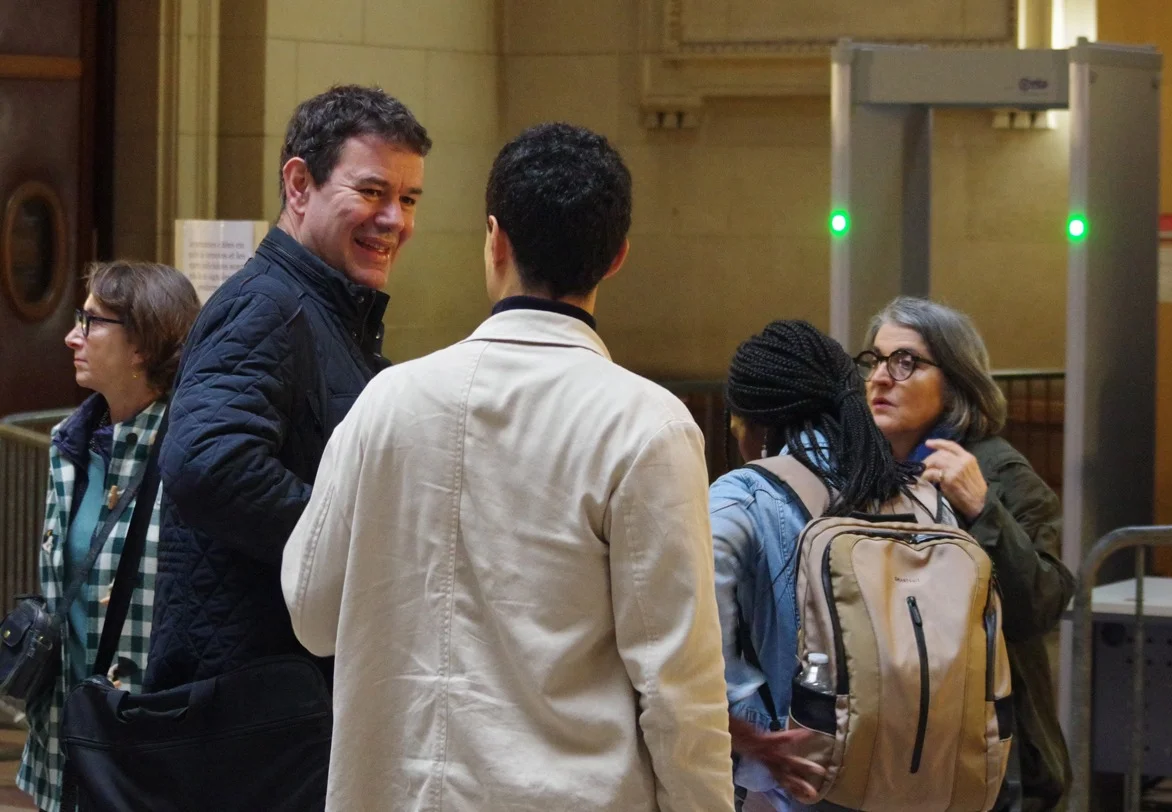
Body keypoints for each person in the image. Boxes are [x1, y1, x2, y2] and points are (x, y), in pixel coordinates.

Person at [281, 122, 735, 811]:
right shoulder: (649, 425)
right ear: (617, 257)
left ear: (495, 239)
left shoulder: (387, 402)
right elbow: (680, 686)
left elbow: (312, 615)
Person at [143, 85, 430, 694]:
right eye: (372, 192)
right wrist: (359, 546)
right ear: (299, 185)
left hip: (278, 691)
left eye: (408, 199)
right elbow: (208, 465)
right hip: (252, 705)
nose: (395, 220)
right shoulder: (267, 306)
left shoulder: (320, 308)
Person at [710, 319, 953, 812]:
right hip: (926, 772)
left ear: (753, 422)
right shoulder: (924, 498)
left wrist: (757, 743)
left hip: (797, 780)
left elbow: (702, 650)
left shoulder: (741, 497)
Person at [860, 295, 1075, 812]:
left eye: (905, 362)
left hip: (994, 754)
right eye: (875, 360)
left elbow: (1040, 605)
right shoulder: (865, 471)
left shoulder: (999, 473)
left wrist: (982, 509)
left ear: (955, 382)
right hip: (894, 748)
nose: (881, 377)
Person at [17, 262, 199, 812]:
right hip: (65, 735)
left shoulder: (192, 452)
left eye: (92, 322)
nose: (72, 337)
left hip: (149, 749)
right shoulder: (70, 446)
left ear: (142, 344)